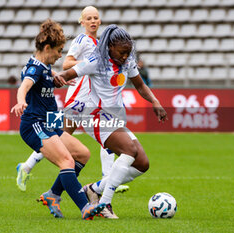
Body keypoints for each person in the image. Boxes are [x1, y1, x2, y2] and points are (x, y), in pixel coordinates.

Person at [53, 24, 168, 219]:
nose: (125, 56)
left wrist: (155, 101)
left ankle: (94, 189)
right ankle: (104, 204)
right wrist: (58, 79)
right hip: (94, 115)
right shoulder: (96, 61)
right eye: (122, 52)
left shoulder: (128, 61)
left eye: (128, 52)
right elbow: (67, 74)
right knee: (129, 151)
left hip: (114, 118)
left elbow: (140, 86)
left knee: (142, 163)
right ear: (110, 46)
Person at [16, 6, 128, 194]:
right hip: (77, 100)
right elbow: (67, 63)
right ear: (81, 22)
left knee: (101, 133)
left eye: (96, 18)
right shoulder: (82, 40)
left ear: (100, 21)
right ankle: (27, 168)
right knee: (56, 136)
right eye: (89, 18)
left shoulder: (99, 43)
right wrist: (89, 65)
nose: (93, 21)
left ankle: (107, 181)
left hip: (89, 101)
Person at [11, 19, 105, 220]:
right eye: (59, 50)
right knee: (66, 161)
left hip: (50, 122)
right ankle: (84, 207)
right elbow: (24, 86)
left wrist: (57, 77)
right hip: (35, 124)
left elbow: (45, 73)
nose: (60, 55)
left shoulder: (42, 65)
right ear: (47, 47)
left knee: (83, 154)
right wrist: (20, 101)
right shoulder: (34, 69)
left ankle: (52, 194)